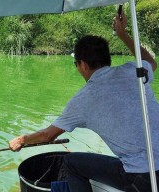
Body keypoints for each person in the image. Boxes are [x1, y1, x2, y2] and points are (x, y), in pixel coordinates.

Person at [9, 11, 159, 192]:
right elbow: (150, 60)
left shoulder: (83, 99)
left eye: (77, 65)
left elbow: (47, 136)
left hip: (142, 178)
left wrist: (21, 140)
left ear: (83, 65)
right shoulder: (132, 71)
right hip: (152, 167)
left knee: (71, 163)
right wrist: (122, 34)